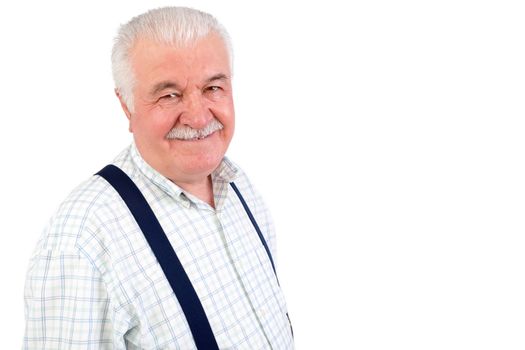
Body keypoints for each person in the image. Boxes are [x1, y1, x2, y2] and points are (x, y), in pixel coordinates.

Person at [23, 6, 293, 349]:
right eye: (169, 95)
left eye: (212, 88)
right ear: (127, 106)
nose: (197, 117)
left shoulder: (240, 186)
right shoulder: (83, 239)